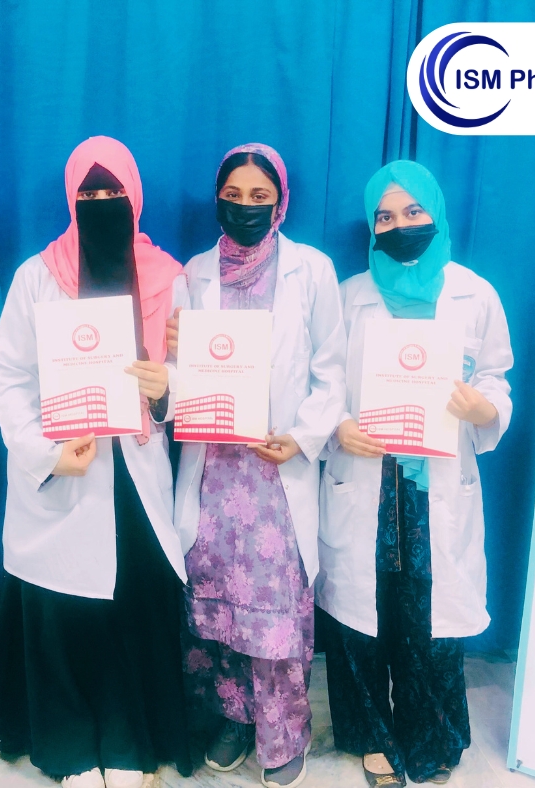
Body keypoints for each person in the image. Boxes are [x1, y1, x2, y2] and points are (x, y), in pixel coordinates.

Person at [0, 136, 191, 788]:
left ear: (135, 196)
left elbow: (189, 376)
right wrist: (45, 453)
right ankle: (70, 747)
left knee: (129, 608)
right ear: (71, 199)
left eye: (113, 191)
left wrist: (166, 389)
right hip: (66, 467)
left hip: (137, 470)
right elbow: (8, 377)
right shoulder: (37, 276)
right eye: (89, 192)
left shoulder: (169, 278)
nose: (102, 202)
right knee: (65, 613)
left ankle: (127, 745)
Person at [315, 160, 513, 787]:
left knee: (431, 618)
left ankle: (432, 735)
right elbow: (322, 382)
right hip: (366, 478)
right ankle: (371, 736)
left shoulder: (475, 294)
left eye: (413, 211)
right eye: (385, 216)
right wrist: (337, 426)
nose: (399, 224)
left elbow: (496, 376)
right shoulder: (348, 296)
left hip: (435, 486)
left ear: (436, 213)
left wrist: (483, 408)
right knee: (363, 615)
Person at [167, 143, 347, 788]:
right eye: (233, 196)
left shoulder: (312, 271)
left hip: (276, 469)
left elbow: (332, 372)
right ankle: (232, 720)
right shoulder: (193, 273)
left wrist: (301, 437)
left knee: (274, 611)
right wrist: (174, 351)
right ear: (218, 199)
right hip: (213, 471)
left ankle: (283, 732)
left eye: (259, 197)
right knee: (216, 606)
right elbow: (178, 374)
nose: (245, 207)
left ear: (280, 202)